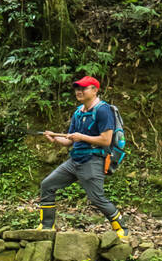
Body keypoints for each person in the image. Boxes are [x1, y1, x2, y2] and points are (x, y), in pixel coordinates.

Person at [39, 77, 126, 236]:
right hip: (74, 161)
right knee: (47, 185)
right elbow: (68, 141)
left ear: (95, 90)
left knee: (97, 198)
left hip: (92, 161)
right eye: (77, 88)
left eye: (83, 88)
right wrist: (54, 138)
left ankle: (122, 228)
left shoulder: (103, 110)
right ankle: (46, 227)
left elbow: (106, 140)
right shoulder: (78, 112)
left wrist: (82, 137)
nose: (79, 91)